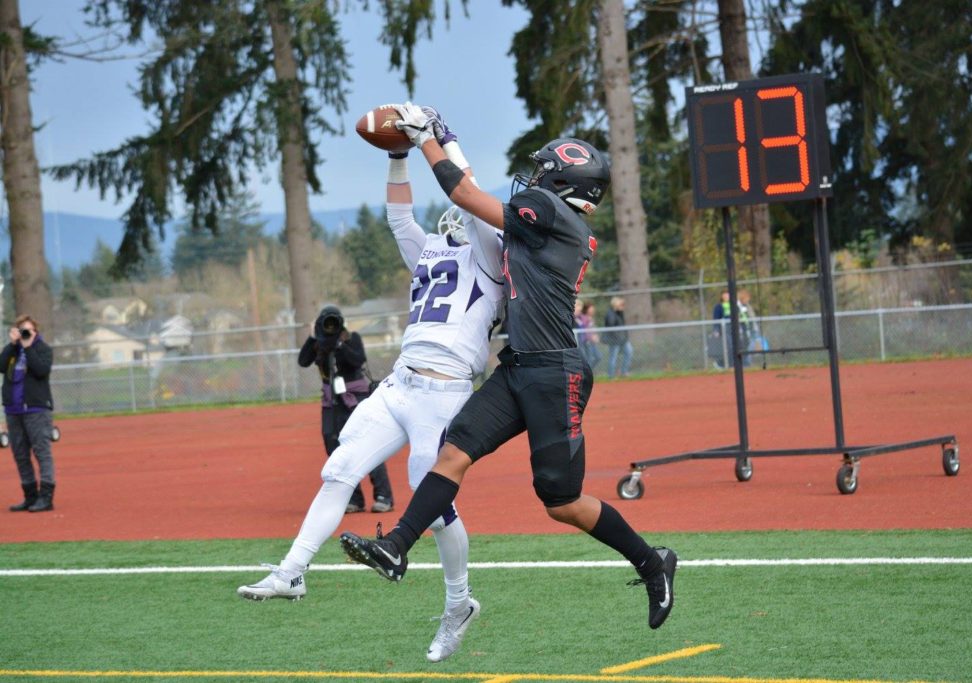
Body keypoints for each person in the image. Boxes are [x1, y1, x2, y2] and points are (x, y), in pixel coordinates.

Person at [340, 104, 678, 632]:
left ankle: (652, 562)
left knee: (561, 501)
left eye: (545, 173)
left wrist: (426, 138)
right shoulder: (550, 218)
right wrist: (444, 137)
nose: (534, 180)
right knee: (453, 453)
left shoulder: (554, 215)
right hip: (518, 365)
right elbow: (474, 201)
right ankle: (396, 548)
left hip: (555, 372)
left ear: (564, 181)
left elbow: (465, 195)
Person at [238, 115, 505, 664]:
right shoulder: (432, 249)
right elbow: (397, 215)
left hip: (445, 393)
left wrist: (443, 135)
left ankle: (460, 603)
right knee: (338, 469)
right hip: (398, 384)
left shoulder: (493, 254)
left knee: (433, 509)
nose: (458, 213)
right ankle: (291, 572)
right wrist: (397, 153)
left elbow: (468, 189)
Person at [298, 305, 393, 513]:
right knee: (333, 446)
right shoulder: (318, 343)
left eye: (334, 322)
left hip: (355, 399)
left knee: (367, 445)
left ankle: (383, 496)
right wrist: (315, 338)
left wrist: (339, 344)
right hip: (331, 401)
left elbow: (357, 360)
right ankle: (354, 499)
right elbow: (303, 361)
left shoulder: (351, 338)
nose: (330, 327)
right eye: (326, 323)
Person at [2, 315, 56, 512]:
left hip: (36, 409)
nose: (25, 334)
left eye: (28, 330)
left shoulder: (43, 349)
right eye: (21, 330)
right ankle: (30, 496)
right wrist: (11, 344)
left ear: (36, 332)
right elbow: (0, 366)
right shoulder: (13, 351)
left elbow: (41, 370)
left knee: (42, 452)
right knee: (20, 454)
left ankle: (46, 497)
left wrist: (27, 346)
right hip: (13, 410)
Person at [603, 296, 632, 378]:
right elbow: (611, 327)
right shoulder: (610, 313)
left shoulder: (620, 313)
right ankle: (611, 375)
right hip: (614, 340)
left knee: (629, 352)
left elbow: (622, 326)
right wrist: (617, 337)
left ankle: (624, 372)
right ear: (615, 305)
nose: (622, 306)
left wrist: (625, 337)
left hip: (623, 339)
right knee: (613, 357)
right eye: (620, 304)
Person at [574, 300, 601, 369]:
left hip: (585, 341)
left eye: (580, 307)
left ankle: (587, 372)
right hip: (577, 343)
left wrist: (593, 336)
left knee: (591, 358)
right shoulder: (571, 318)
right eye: (578, 307)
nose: (579, 310)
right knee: (584, 359)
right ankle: (584, 372)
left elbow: (587, 328)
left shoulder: (583, 317)